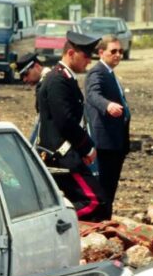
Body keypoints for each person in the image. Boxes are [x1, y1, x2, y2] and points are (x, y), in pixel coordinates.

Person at [35, 31, 109, 222]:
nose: (88, 61)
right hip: (60, 155)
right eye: (85, 56)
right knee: (95, 202)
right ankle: (55, 224)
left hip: (68, 153)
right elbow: (65, 121)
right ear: (70, 53)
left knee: (90, 201)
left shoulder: (65, 78)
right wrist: (87, 147)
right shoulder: (57, 80)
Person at [84, 35, 130, 219]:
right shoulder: (97, 72)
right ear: (101, 52)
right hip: (104, 143)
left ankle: (105, 221)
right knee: (103, 189)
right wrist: (107, 105)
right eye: (113, 51)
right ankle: (100, 223)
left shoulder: (110, 73)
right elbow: (93, 94)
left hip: (116, 142)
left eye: (120, 51)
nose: (118, 55)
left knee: (110, 189)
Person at [14, 52, 45, 143]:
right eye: (22, 77)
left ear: (37, 66)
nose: (24, 79)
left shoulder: (48, 83)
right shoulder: (43, 83)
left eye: (26, 74)